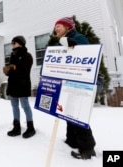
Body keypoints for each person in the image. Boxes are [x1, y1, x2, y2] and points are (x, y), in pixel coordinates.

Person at [54, 17, 96, 159]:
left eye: (59, 26)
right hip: (67, 83)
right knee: (68, 113)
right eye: (55, 27)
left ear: (68, 27)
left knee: (77, 115)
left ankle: (87, 148)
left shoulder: (79, 37)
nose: (56, 29)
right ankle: (72, 140)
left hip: (79, 83)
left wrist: (74, 45)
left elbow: (86, 53)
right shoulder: (62, 42)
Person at [3, 35, 36, 139]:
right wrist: (7, 71)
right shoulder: (12, 55)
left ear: (20, 43)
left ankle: (31, 128)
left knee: (25, 106)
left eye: (14, 43)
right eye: (12, 43)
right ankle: (16, 127)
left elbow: (23, 71)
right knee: (14, 106)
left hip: (22, 85)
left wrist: (12, 70)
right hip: (13, 85)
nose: (12, 45)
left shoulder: (27, 56)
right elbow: (11, 70)